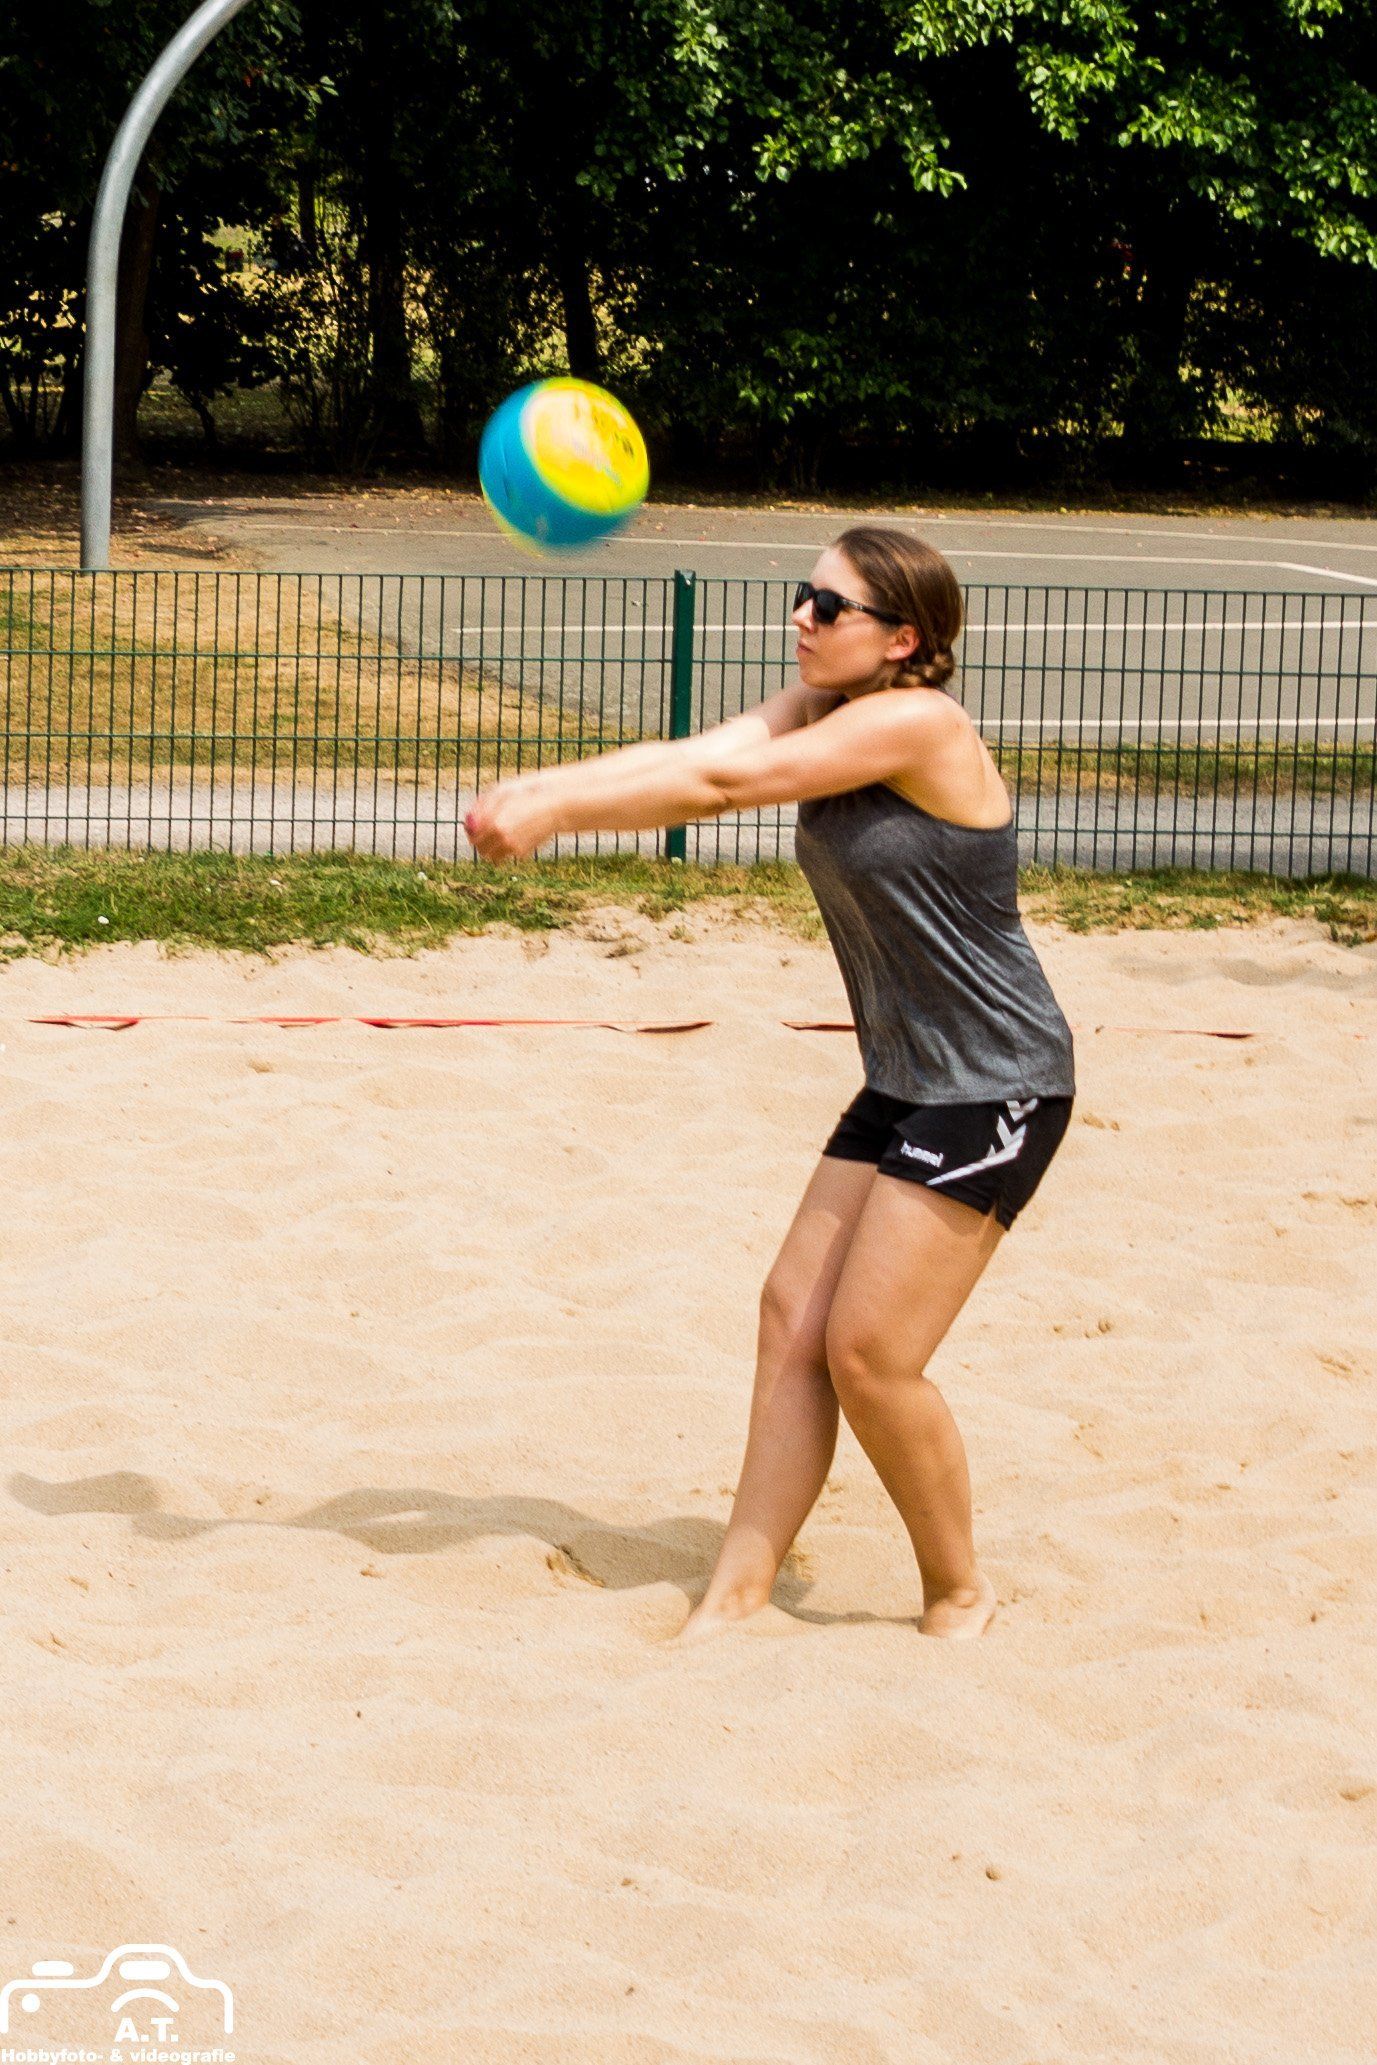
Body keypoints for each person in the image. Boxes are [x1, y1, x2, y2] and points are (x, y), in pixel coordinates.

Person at [464, 524, 1075, 1642]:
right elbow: (688, 751)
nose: (802, 615)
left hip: (997, 1084)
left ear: (903, 639)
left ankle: (958, 1590)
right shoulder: (824, 706)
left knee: (870, 1355)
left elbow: (719, 785)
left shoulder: (917, 724)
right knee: (793, 1318)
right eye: (806, 594)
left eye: (829, 606)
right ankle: (737, 1593)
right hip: (907, 1074)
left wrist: (557, 814)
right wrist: (544, 784)